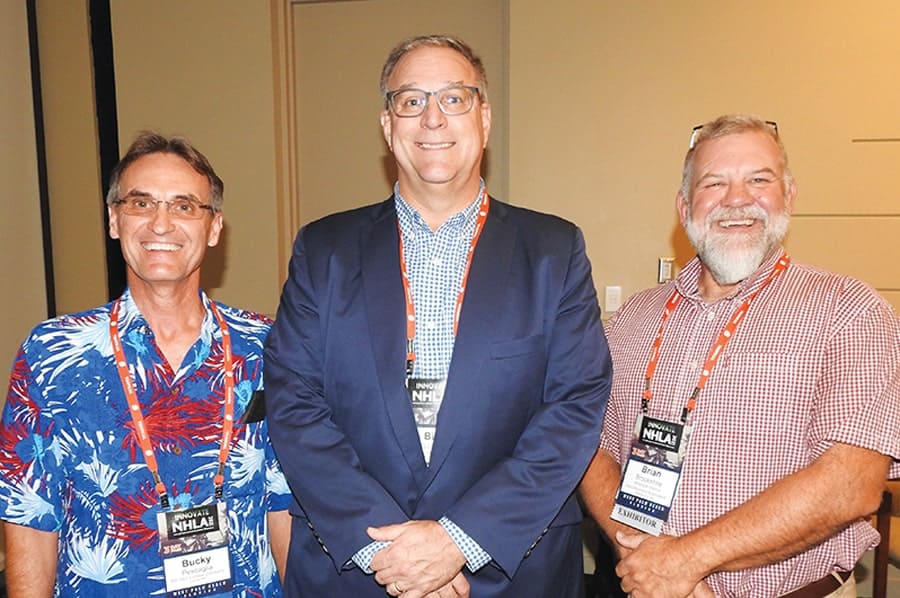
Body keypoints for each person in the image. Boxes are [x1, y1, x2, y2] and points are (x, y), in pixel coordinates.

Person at [264, 34, 612, 598]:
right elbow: (293, 399)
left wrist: (459, 541)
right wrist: (388, 551)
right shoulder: (323, 249)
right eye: (411, 100)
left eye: (454, 98)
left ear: (484, 117)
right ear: (387, 124)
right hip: (357, 569)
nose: (432, 119)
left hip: (509, 569)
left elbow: (573, 406)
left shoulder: (553, 250)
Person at [580, 114, 900, 598]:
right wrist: (644, 559)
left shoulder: (850, 311)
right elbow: (589, 448)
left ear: (789, 196)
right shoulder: (630, 320)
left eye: (758, 180)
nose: (736, 200)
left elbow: (850, 482)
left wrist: (687, 562)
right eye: (715, 183)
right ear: (685, 205)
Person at [0, 132, 292, 597]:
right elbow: (30, 513)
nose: (161, 224)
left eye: (184, 206)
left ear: (214, 227)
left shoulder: (268, 346)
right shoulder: (52, 353)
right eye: (141, 204)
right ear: (114, 219)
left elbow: (284, 502)